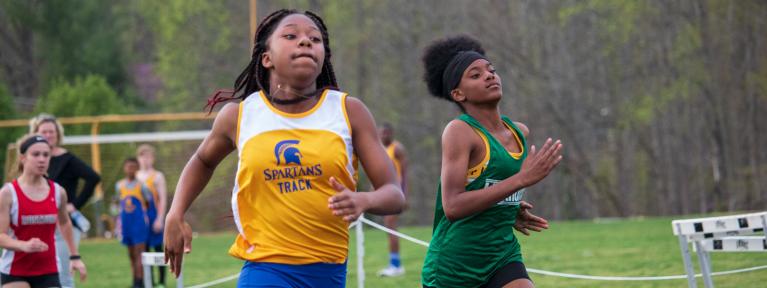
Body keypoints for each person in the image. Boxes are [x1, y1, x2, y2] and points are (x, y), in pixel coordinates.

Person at [163, 9, 405, 288]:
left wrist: (365, 200)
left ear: (323, 54)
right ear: (266, 58)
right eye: (291, 36)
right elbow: (202, 161)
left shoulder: (348, 111)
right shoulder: (240, 116)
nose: (305, 42)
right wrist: (175, 212)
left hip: (329, 273)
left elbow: (394, 194)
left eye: (315, 39)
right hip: (265, 268)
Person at [420, 35, 563, 288]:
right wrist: (521, 180)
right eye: (475, 75)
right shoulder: (460, 132)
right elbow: (452, 206)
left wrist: (507, 207)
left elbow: (487, 185)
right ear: (458, 93)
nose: (489, 76)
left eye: (491, 70)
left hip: (502, 254)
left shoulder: (519, 132)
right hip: (456, 266)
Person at [0, 134, 87, 288]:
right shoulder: (8, 193)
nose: (42, 159)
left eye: (46, 155)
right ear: (22, 158)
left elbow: (65, 222)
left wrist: (75, 256)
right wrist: (23, 245)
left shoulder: (58, 192)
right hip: (15, 269)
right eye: (36, 154)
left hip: (49, 270)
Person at [30, 114, 100, 288]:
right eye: (44, 131)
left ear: (58, 134)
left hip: (63, 225)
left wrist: (74, 205)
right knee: (38, 273)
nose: (48, 135)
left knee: (63, 275)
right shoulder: (30, 161)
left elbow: (93, 177)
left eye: (51, 131)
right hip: (38, 223)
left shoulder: (67, 159)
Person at [116, 158, 154, 288]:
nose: (130, 169)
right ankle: (135, 280)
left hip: (139, 223)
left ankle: (140, 282)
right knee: (131, 254)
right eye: (128, 166)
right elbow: (118, 203)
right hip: (126, 224)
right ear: (124, 168)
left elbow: (148, 202)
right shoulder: (119, 185)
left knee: (140, 253)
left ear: (137, 168)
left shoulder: (142, 186)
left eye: (133, 167)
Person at [376, 123, 408, 277]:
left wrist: (404, 195)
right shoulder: (381, 150)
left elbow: (404, 173)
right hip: (385, 192)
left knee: (390, 226)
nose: (384, 136)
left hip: (396, 194)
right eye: (382, 133)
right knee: (389, 228)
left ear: (392, 133)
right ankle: (394, 264)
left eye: (387, 133)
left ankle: (396, 266)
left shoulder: (397, 149)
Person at [136, 144, 167, 287]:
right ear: (138, 158)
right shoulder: (135, 176)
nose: (145, 159)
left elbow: (162, 199)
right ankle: (149, 281)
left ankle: (161, 282)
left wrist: (160, 219)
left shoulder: (158, 176)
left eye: (148, 156)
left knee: (159, 250)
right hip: (140, 219)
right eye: (143, 156)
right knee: (144, 251)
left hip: (154, 217)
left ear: (153, 158)